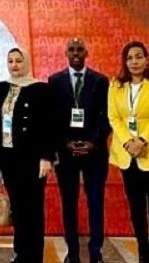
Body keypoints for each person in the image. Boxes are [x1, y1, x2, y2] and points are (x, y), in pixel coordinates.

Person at [108, 41, 149, 263]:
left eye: (138, 57)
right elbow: (114, 117)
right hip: (128, 156)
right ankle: (144, 251)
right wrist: (128, 142)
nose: (134, 62)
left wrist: (142, 141)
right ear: (124, 62)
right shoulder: (115, 86)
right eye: (129, 58)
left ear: (147, 60)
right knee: (136, 209)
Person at [47, 38, 110, 263]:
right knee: (69, 203)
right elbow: (52, 118)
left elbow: (108, 116)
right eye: (72, 50)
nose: (76, 53)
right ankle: (72, 252)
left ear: (86, 53)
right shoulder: (54, 81)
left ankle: (96, 251)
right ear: (66, 53)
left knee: (96, 203)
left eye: (80, 50)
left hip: (95, 152)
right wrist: (65, 142)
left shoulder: (101, 80)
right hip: (66, 153)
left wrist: (93, 142)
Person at [0, 48, 54, 263]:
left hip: (33, 158)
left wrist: (46, 157)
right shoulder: (1, 88)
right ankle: (21, 254)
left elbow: (49, 125)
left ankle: (34, 256)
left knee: (33, 208)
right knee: (17, 208)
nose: (14, 65)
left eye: (19, 61)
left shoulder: (40, 89)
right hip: (8, 157)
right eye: (10, 61)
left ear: (26, 63)